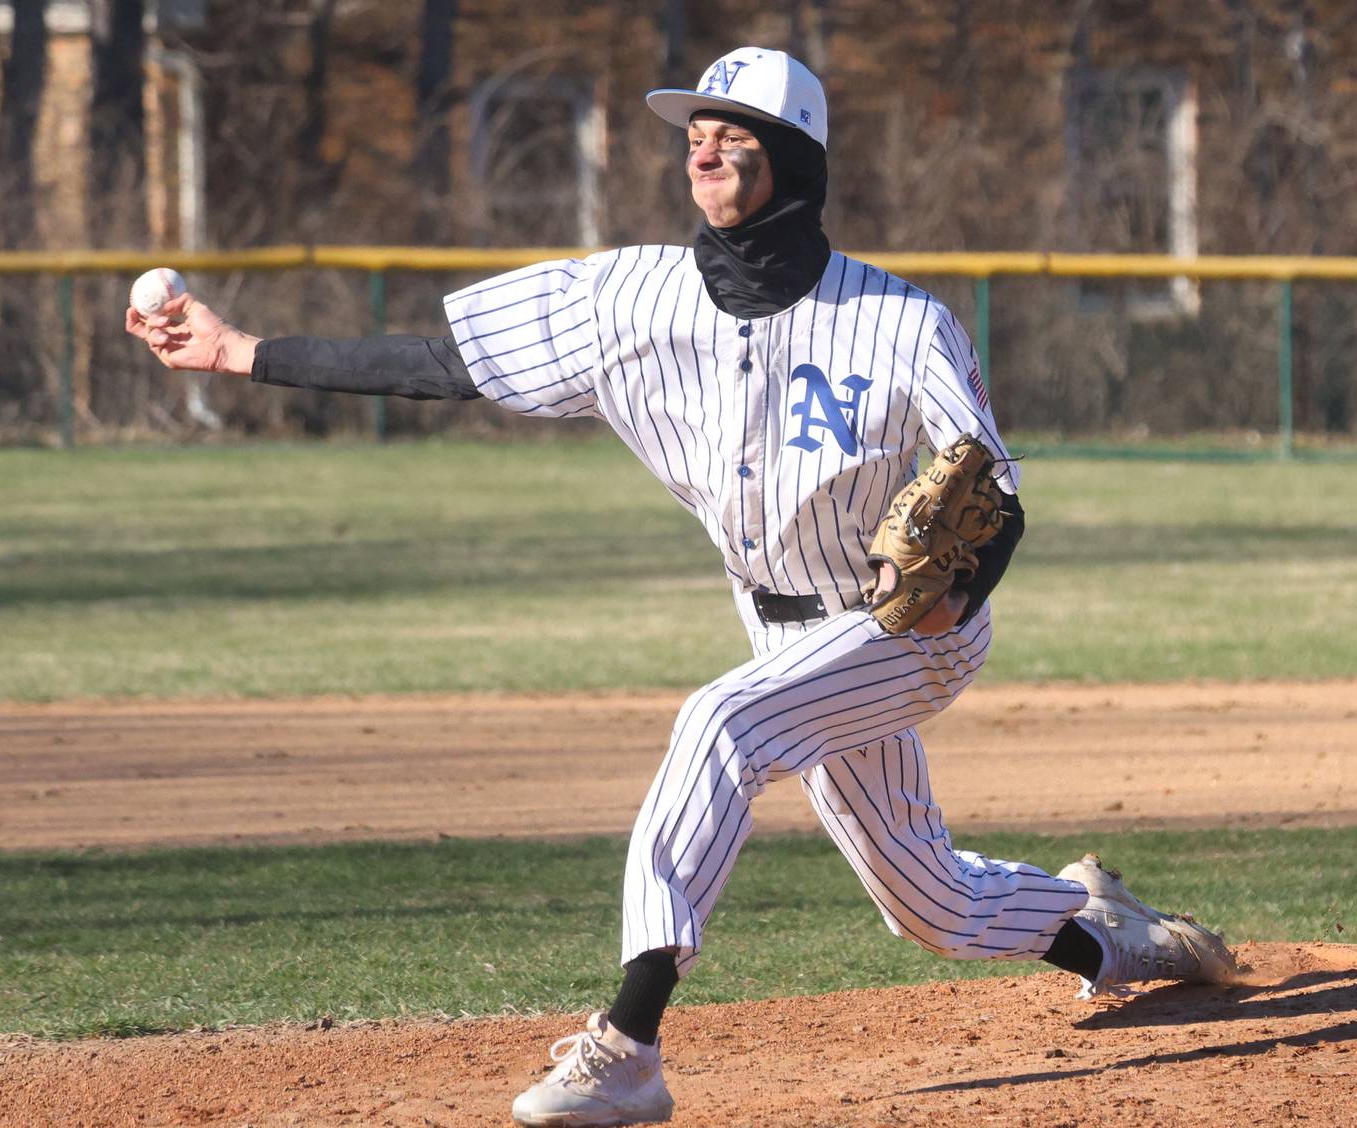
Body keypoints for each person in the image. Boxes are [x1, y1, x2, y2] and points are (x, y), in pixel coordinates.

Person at [128, 46, 1238, 1128]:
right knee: (932, 904)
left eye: (731, 136)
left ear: (794, 161)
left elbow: (992, 491)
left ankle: (627, 1049)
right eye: (694, 137)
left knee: (719, 725)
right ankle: (1110, 935)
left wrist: (960, 586)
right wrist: (239, 353)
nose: (702, 152)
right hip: (780, 632)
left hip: (906, 630)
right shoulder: (626, 298)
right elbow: (441, 364)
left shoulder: (900, 324)